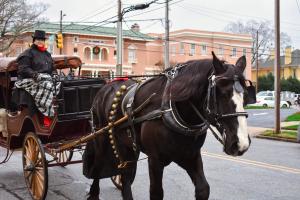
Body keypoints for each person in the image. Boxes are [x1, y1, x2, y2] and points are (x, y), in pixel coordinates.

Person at [12, 30, 60, 117]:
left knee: (61, 84)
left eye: (42, 39)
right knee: (47, 86)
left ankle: (59, 109)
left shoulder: (47, 54)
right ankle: (47, 114)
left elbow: (52, 68)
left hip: (46, 78)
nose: (40, 41)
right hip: (29, 79)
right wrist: (35, 75)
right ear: (34, 40)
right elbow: (23, 69)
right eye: (38, 39)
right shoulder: (27, 53)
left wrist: (54, 74)